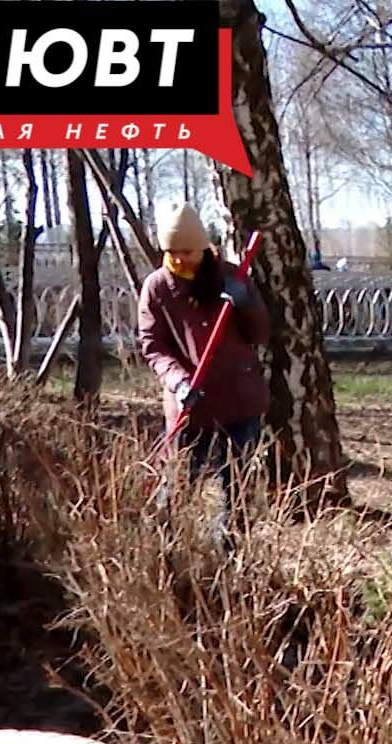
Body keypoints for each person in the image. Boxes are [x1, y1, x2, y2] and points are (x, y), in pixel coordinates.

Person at [139, 205, 272, 551]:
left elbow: (259, 333)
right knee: (176, 489)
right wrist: (179, 381)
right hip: (190, 407)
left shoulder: (230, 276)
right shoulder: (156, 287)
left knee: (236, 493)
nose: (180, 260)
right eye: (172, 252)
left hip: (239, 401)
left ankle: (230, 561)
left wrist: (245, 304)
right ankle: (166, 557)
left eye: (188, 252)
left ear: (204, 248)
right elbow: (153, 346)